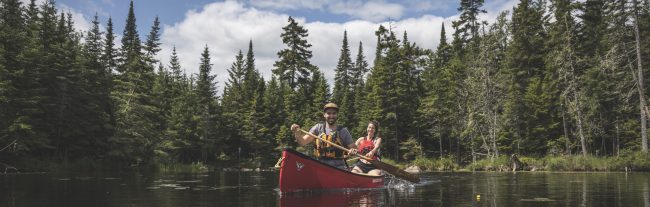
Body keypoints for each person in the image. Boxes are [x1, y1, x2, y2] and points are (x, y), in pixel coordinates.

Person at [291, 103, 358, 170]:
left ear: (337, 115)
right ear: (324, 115)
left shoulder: (343, 131)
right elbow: (302, 142)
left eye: (334, 113)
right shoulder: (318, 128)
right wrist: (297, 133)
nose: (331, 116)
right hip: (320, 164)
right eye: (328, 113)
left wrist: (353, 151)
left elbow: (354, 149)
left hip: (338, 166)